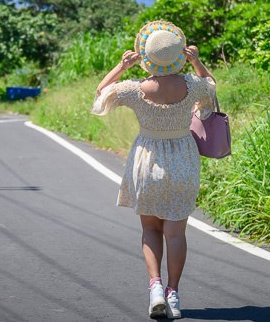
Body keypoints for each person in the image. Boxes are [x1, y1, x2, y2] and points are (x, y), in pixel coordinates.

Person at [92, 20, 216, 320]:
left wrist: (122, 66)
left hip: (147, 162)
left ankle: (156, 288)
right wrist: (197, 62)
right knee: (175, 233)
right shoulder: (191, 84)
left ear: (146, 56)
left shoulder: (136, 90)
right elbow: (212, 86)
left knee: (150, 228)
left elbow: (101, 91)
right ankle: (174, 295)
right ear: (177, 54)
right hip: (183, 162)